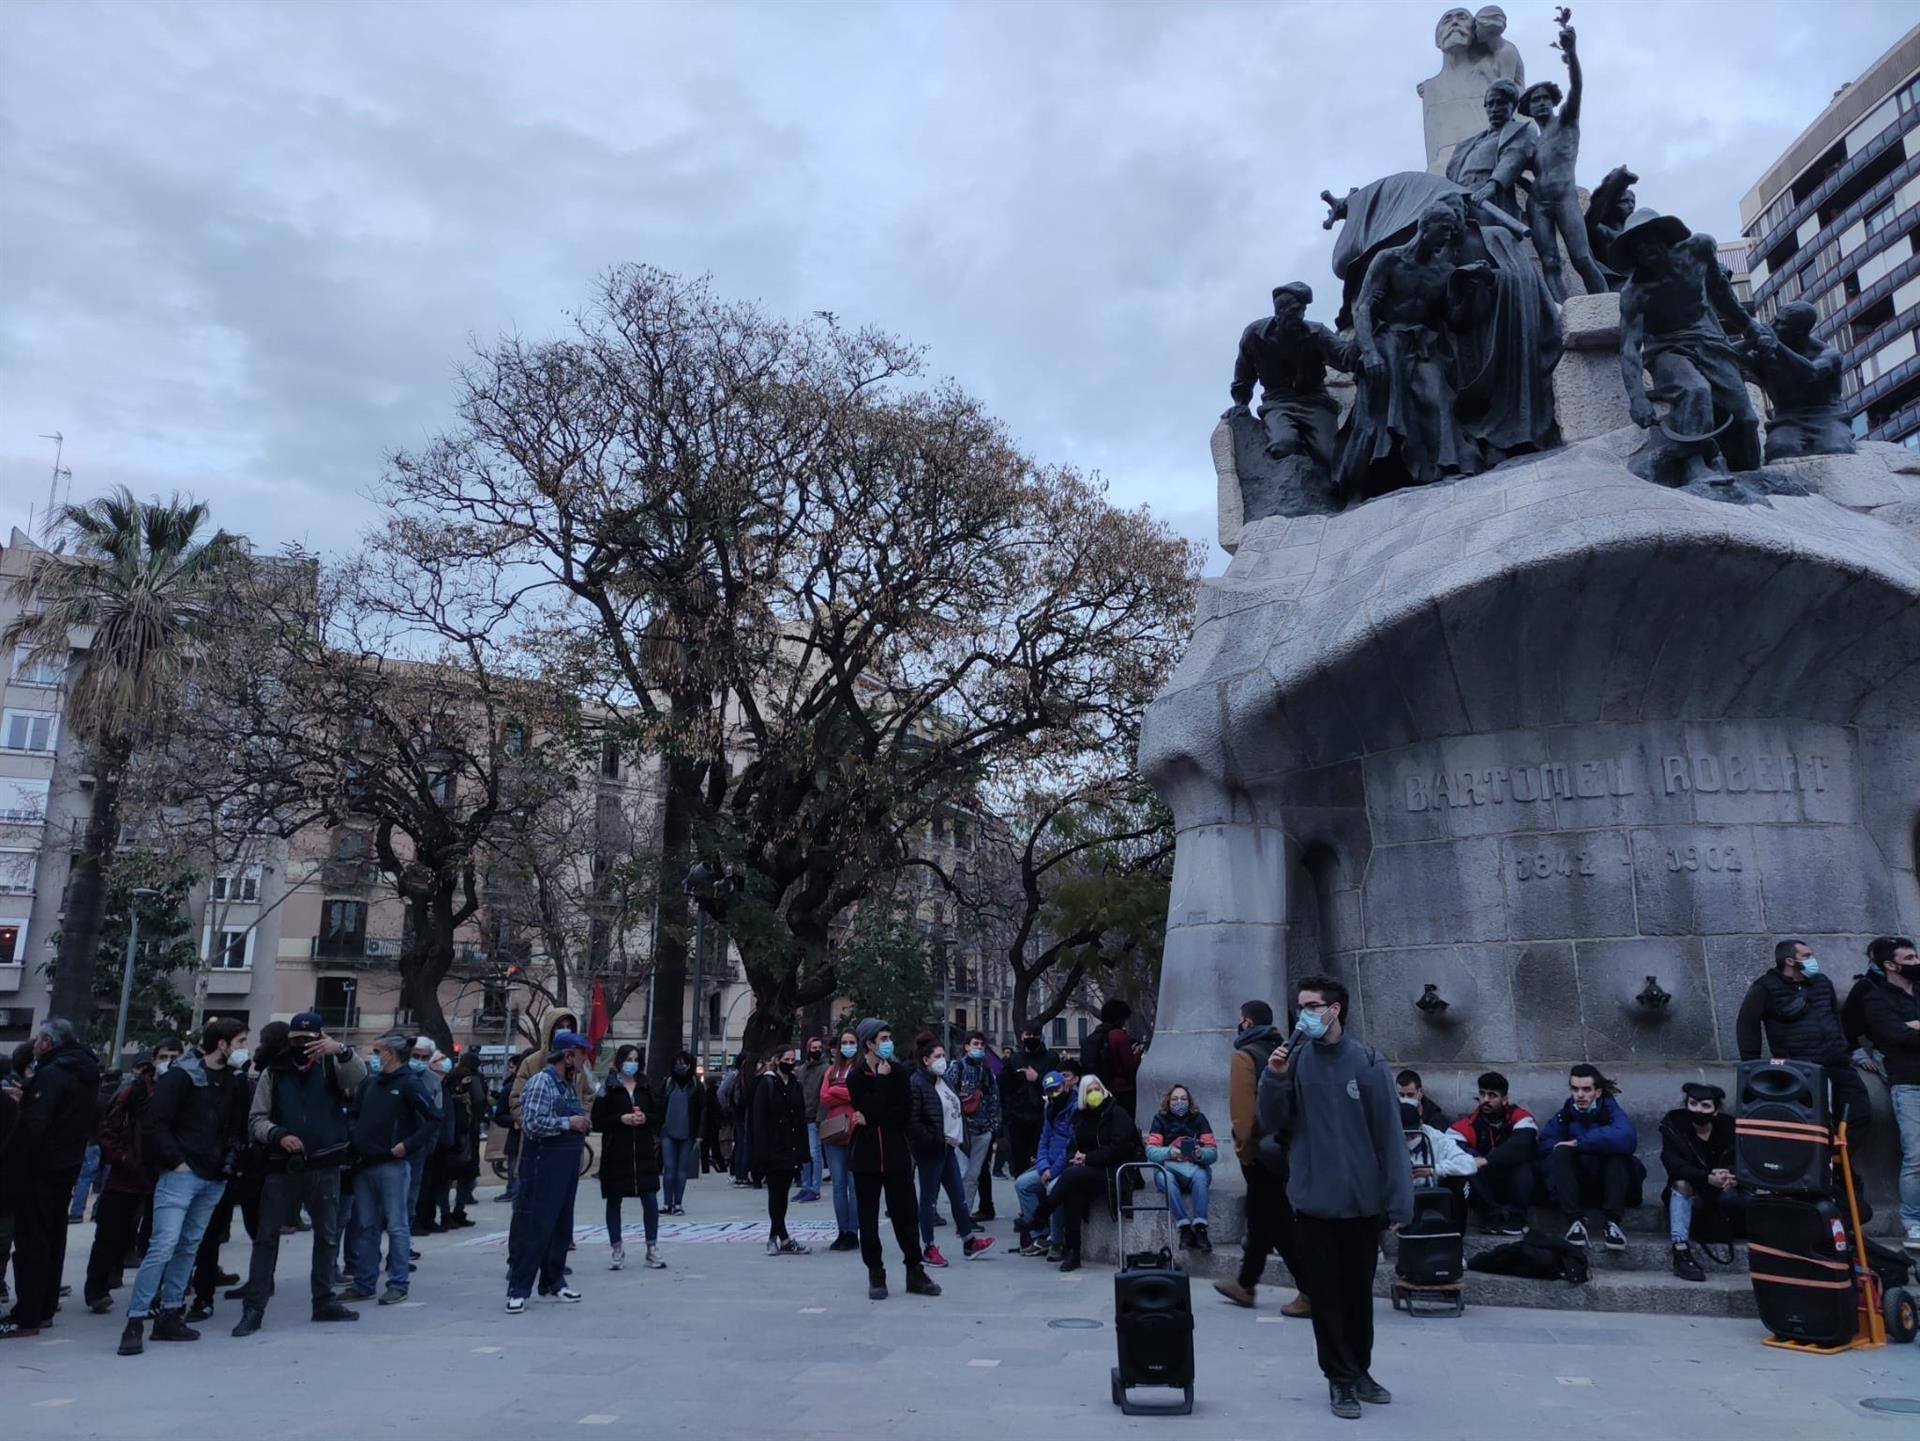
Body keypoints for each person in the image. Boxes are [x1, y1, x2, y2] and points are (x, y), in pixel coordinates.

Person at [1257, 977, 1410, 1421]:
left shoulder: (1368, 1062)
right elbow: (1270, 1120)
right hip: (1313, 1200)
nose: (1303, 1012)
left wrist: (1399, 1201)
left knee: (1359, 1293)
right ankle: (1339, 1380)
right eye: (1299, 1005)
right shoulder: (1294, 1060)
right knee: (1325, 1297)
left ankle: (1361, 1370)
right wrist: (1274, 1077)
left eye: (1311, 1005)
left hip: (1363, 1200)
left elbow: (1390, 1137)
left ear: (1334, 1009)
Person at [117, 1018, 248, 1356]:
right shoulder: (182, 1076)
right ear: (222, 1044)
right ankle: (136, 1320)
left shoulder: (231, 1081)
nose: (243, 1048)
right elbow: (154, 1122)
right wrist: (177, 1161)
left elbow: (233, 1125)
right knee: (164, 1245)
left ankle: (171, 1313)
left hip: (213, 1175)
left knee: (188, 1246)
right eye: (241, 1041)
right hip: (182, 1174)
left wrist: (228, 1159)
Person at [231, 1015, 364, 1336]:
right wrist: (277, 1134)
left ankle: (324, 1301)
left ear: (321, 1036)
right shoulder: (274, 1072)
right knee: (266, 1237)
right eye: (297, 1039)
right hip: (283, 1165)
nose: (303, 1046)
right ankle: (254, 1307)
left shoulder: (332, 1066)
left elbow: (359, 1079)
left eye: (310, 1038)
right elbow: (256, 1119)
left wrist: (341, 1051)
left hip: (326, 1163)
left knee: (328, 1236)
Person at [1614, 208, 1763, 483]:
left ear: (1666, 236)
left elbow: (1721, 293)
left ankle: (1747, 474)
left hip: (1709, 342)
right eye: (1636, 246)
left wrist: (1750, 326)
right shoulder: (1635, 292)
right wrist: (1637, 398)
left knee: (1746, 418)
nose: (1644, 249)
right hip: (1667, 349)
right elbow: (1629, 348)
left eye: (1649, 239)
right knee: (1695, 390)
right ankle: (1695, 466)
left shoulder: (1700, 249)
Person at [3, 1019, 101, 1340]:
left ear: (47, 1042)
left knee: (32, 1240)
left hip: (40, 1170)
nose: (34, 1044)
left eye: (37, 1038)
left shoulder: (53, 1074)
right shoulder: (83, 1071)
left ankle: (28, 1314)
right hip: (65, 1165)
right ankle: (43, 1308)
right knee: (53, 1237)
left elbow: (37, 1124)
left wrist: (26, 1105)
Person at [1215, 1000, 1308, 1316]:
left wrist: (1244, 1149)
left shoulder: (1245, 1056)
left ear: (1246, 1022)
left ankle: (1310, 1289)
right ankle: (1246, 1283)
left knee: (1277, 1221)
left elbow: (1243, 1114)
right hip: (1286, 1147)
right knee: (1261, 1217)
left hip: (1260, 1150)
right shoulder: (1286, 1051)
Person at [846, 1018, 941, 1300]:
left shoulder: (901, 1072)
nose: (888, 1043)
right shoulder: (856, 1077)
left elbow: (900, 1114)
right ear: (869, 1043)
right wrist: (882, 1089)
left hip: (897, 1153)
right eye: (883, 1038)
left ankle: (915, 1270)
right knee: (868, 1218)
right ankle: (875, 1272)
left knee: (906, 1214)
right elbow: (868, 1107)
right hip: (866, 1157)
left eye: (889, 1037)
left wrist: (874, 1115)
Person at [341, 1033, 437, 1309]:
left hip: (393, 1164)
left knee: (396, 1226)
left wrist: (408, 1145)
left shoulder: (409, 1083)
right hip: (365, 1164)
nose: (373, 1056)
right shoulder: (371, 1083)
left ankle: (398, 1283)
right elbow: (356, 1114)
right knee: (366, 1226)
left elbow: (433, 1119)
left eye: (377, 1051)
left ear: (390, 1054)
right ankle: (364, 1282)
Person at [1737, 939, 1870, 1135]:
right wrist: (1752, 1065)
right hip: (1802, 1067)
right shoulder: (1766, 987)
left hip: (1837, 1062)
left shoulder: (1821, 982)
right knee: (1814, 1121)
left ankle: (1841, 1158)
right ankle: (1824, 1163)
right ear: (1790, 961)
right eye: (1806, 956)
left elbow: (1834, 1016)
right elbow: (1747, 1025)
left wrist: (1844, 1047)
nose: (1812, 960)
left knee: (1859, 1112)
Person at [1517, 20, 1607, 300]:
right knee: (1550, 263)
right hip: (1539, 203)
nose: (1541, 103)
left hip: (1565, 196)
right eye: (1535, 101)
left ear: (1553, 102)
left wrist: (1573, 52)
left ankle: (1606, 308)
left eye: (1545, 99)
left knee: (1581, 258)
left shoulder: (1567, 121)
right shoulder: (1531, 140)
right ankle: (1561, 313)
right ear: (1529, 109)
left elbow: (1577, 87)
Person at [506, 1030, 593, 1313]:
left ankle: (553, 1281)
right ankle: (518, 1289)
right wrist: (570, 1123)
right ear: (567, 1056)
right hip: (542, 1167)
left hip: (565, 1168)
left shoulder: (567, 1085)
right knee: (535, 1229)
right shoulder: (542, 1082)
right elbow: (532, 1123)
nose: (583, 1061)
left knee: (560, 1227)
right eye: (581, 1055)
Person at [1030, 1073, 1137, 1273]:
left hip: (1114, 1172)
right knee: (1072, 1191)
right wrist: (1077, 1157)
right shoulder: (1081, 1117)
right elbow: (1072, 1145)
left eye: (1097, 1089)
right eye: (1089, 1091)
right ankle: (1073, 1252)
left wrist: (1087, 1158)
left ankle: (1042, 1213)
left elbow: (1120, 1148)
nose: (1094, 1093)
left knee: (1070, 1176)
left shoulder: (1117, 1113)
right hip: (1089, 1171)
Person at [83, 1051, 159, 1315]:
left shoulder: (171, 1090)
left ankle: (148, 1291)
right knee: (109, 1234)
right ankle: (97, 1288)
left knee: (149, 1236)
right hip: (125, 1175)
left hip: (155, 1175)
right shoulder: (130, 1093)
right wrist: (123, 1158)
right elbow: (109, 1130)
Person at [908, 1035, 994, 1268]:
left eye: (943, 1056)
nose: (942, 1060)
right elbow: (914, 1120)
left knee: (958, 1197)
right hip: (932, 1149)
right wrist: (931, 1140)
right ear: (925, 1059)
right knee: (928, 1200)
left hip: (948, 1147)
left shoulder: (943, 1080)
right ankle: (928, 1247)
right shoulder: (917, 1083)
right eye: (937, 1056)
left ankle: (968, 1241)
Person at [1857, 937, 1920, 1250]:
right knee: (1916, 1156)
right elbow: (1896, 1036)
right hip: (1908, 1082)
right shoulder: (1876, 995)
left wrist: (1914, 1026)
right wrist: (1907, 1030)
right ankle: (1913, 1222)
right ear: (1891, 965)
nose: (1916, 961)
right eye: (1909, 958)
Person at [1538, 1064, 1642, 1251]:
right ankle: (1575, 1223)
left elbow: (1627, 1137)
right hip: (1580, 1186)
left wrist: (1580, 1143)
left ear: (1598, 1092)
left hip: (1611, 1184)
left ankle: (1612, 1224)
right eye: (1575, 1089)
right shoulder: (1566, 1114)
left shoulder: (1610, 1111)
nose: (1580, 1095)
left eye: (1586, 1089)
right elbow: (1546, 1143)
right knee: (1560, 1151)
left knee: (1615, 1153)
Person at [593, 1044, 666, 1272]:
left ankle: (651, 1248)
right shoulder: (608, 1088)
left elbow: (659, 1115)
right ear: (620, 1061)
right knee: (614, 1201)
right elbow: (598, 1121)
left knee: (650, 1201)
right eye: (628, 1058)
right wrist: (620, 1118)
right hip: (617, 1152)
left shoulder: (646, 1086)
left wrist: (645, 1118)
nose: (632, 1063)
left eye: (635, 1058)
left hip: (643, 1153)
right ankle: (617, 1249)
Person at [1659, 1082, 1741, 1282]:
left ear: (1715, 1111)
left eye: (1705, 1106)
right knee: (1680, 1184)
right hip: (1693, 1194)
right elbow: (1673, 1164)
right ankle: (1680, 1251)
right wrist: (1707, 1178)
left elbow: (1745, 1161)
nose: (1698, 1110)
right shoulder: (1673, 1125)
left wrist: (1730, 1176)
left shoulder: (1729, 1127)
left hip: (1724, 1194)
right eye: (1693, 1104)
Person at [1448, 1072, 1538, 1235]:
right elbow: (1450, 1144)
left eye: (1492, 1095)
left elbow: (1522, 1144)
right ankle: (1492, 1216)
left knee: (1524, 1164)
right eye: (1482, 1094)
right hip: (1485, 1183)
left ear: (1505, 1099)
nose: (1486, 1100)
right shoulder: (1470, 1123)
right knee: (1466, 1162)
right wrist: (1476, 1160)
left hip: (1514, 1181)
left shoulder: (1519, 1117)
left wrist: (1486, 1160)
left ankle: (1517, 1217)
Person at [751, 1044, 812, 1256]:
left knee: (782, 1194)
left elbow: (800, 1116)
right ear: (777, 1060)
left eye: (793, 1059)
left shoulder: (795, 1084)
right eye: (787, 1059)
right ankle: (780, 1237)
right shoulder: (766, 1084)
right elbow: (758, 1121)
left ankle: (777, 1237)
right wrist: (761, 1153)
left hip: (791, 1146)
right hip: (772, 1147)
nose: (791, 1062)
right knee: (775, 1193)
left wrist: (803, 1150)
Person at [1014, 1067, 1077, 1260]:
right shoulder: (1050, 1108)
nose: (1053, 1094)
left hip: (1066, 1167)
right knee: (1022, 1184)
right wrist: (1043, 1167)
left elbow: (1071, 1146)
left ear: (1065, 1085)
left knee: (1053, 1190)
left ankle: (1057, 1241)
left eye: (1056, 1088)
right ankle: (1040, 1235)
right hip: (1048, 1165)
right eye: (1049, 1091)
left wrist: (1053, 1171)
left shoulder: (1075, 1108)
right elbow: (1044, 1140)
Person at [1145, 1084, 1217, 1251]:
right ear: (1168, 1101)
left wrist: (1200, 1154)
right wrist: (1171, 1153)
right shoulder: (1160, 1119)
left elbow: (1213, 1153)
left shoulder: (1199, 1119)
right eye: (1175, 1099)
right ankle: (1184, 1228)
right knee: (1167, 1180)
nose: (1179, 1102)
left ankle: (1200, 1229)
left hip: (1194, 1168)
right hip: (1168, 1169)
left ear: (1189, 1101)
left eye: (1183, 1099)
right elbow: (1151, 1151)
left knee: (1200, 1177)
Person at [948, 1030, 1000, 1221]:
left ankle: (965, 1215)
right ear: (966, 1046)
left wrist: (992, 1124)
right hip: (962, 1131)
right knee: (962, 1174)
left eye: (981, 1045)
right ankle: (961, 1215)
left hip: (982, 1131)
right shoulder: (956, 1068)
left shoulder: (987, 1072)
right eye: (975, 1044)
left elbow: (995, 1098)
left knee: (973, 1175)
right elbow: (947, 1095)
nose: (978, 1048)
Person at [818, 1028, 862, 1250]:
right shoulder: (831, 1071)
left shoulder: (861, 1069)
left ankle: (853, 1231)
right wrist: (844, 1092)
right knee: (838, 1186)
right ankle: (842, 1230)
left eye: (851, 1041)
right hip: (834, 1132)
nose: (847, 1045)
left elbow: (860, 1095)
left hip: (856, 1132)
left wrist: (838, 1091)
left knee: (855, 1186)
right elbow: (824, 1097)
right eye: (844, 1042)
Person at [1401, 1100, 1476, 1227]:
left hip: (1432, 1193)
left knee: (1459, 1182)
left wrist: (1435, 1170)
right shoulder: (1387, 1140)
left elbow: (1468, 1163)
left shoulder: (1436, 1138)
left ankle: (1455, 1234)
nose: (1408, 1138)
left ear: (1420, 1124)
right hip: (1401, 1195)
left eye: (1412, 1133)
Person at [1000, 1026, 1058, 1180]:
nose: (1031, 1037)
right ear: (1022, 1036)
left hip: (1042, 1116)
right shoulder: (1014, 1059)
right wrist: (1007, 1113)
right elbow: (1005, 1087)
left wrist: (1038, 1078)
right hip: (1018, 1118)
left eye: (1035, 1034)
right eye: (1028, 1034)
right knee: (1019, 1163)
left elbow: (1057, 1085)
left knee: (1042, 1159)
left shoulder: (1051, 1058)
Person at [658, 1050, 704, 1215]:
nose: (681, 1066)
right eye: (678, 1062)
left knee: (681, 1170)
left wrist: (699, 1134)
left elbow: (702, 1110)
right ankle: (666, 1203)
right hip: (667, 1131)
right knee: (669, 1168)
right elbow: (659, 1105)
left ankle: (678, 1203)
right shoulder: (668, 1083)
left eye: (684, 1063)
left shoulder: (696, 1085)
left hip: (688, 1133)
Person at [442, 1050, 484, 1228]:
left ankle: (450, 1213)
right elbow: (480, 1100)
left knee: (450, 1178)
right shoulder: (473, 1081)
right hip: (464, 1138)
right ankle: (454, 1211)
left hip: (460, 1139)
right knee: (460, 1177)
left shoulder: (450, 1085)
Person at [1088, 1000, 1142, 1123]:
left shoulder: (1097, 1035)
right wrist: (1137, 1055)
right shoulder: (1119, 1035)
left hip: (1101, 1089)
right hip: (1123, 1091)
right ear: (1119, 1018)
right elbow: (1129, 1065)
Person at [796, 1035, 828, 1204]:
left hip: (814, 1117)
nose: (816, 1050)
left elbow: (823, 1096)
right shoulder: (802, 1070)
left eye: (819, 1047)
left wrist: (819, 1118)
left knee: (814, 1153)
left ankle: (815, 1188)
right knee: (805, 1154)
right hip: (802, 1117)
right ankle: (805, 1186)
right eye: (813, 1048)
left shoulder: (825, 1069)